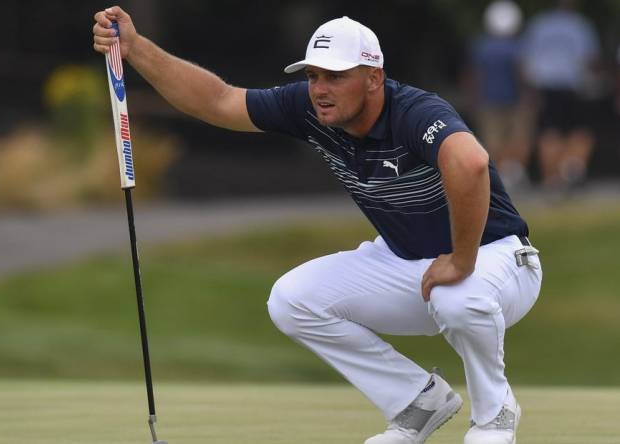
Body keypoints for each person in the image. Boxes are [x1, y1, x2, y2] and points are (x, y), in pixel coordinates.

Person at [93, 7, 542, 444]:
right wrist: (136, 49)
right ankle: (418, 401)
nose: (320, 89)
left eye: (335, 76)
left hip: (500, 260)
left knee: (456, 297)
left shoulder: (415, 112)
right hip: (412, 263)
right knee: (292, 300)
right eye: (312, 76)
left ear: (372, 78)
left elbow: (471, 163)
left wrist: (462, 260)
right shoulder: (308, 110)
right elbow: (218, 100)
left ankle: (494, 414)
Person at [520, 0, 601, 189]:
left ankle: (552, 179)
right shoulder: (580, 25)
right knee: (580, 129)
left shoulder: (539, 25)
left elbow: (526, 61)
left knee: (549, 131)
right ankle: (572, 166)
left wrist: (529, 90)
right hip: (573, 84)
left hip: (545, 85)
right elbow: (589, 58)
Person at [467, 0, 533, 190]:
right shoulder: (516, 47)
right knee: (518, 137)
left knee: (492, 140)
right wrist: (528, 96)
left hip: (487, 101)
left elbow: (474, 76)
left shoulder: (481, 47)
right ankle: (511, 173)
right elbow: (521, 74)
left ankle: (499, 178)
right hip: (514, 100)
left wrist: (474, 99)